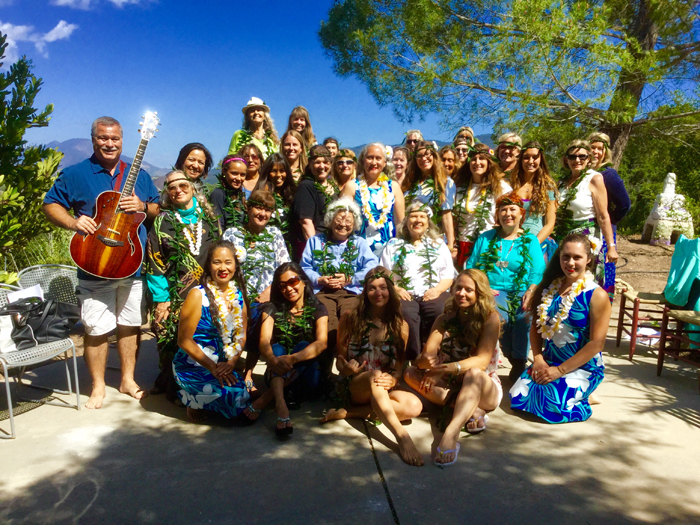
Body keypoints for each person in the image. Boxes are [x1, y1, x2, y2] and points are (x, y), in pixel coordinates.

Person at [43, 116, 160, 409]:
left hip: (132, 263)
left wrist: (143, 206)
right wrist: (73, 222)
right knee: (95, 328)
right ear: (93, 139)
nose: (109, 144)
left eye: (115, 139)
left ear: (124, 140)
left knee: (130, 324)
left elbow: (159, 207)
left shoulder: (140, 175)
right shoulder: (75, 174)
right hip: (93, 263)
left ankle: (128, 380)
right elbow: (50, 204)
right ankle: (97, 386)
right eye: (103, 138)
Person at [321, 267, 424, 467]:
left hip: (383, 387)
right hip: (355, 385)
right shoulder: (350, 318)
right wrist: (346, 368)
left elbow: (398, 367)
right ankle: (402, 437)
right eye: (372, 288)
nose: (378, 293)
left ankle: (349, 413)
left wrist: (394, 378)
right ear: (364, 291)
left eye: (383, 287)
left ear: (391, 290)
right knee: (374, 374)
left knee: (414, 406)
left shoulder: (399, 324)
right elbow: (340, 361)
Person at [404, 269, 502, 467]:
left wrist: (445, 368)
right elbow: (428, 355)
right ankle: (472, 410)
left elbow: (482, 361)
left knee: (473, 373)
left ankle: (451, 432)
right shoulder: (444, 319)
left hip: (484, 385)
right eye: (458, 288)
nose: (462, 294)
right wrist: (426, 364)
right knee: (409, 373)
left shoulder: (490, 318)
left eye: (468, 290)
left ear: (480, 293)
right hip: (451, 386)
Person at [510, 234, 610, 423]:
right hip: (549, 361)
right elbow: (535, 326)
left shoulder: (597, 295)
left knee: (552, 404)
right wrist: (538, 359)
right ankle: (577, 393)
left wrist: (560, 371)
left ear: (588, 259)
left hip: (582, 366)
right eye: (566, 257)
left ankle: (584, 395)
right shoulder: (550, 288)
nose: (570, 263)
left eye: (577, 257)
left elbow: (596, 344)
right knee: (518, 396)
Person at [147, 170, 220, 401]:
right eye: (172, 187)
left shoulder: (209, 219)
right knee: (169, 339)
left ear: (192, 187)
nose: (178, 190)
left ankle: (203, 383)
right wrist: (162, 300)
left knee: (204, 339)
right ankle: (172, 384)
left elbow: (220, 257)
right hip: (172, 294)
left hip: (205, 293)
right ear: (167, 193)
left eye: (183, 185)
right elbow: (154, 261)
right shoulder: (162, 222)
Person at [466, 193, 545, 380]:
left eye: (512, 210)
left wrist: (531, 290)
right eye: (503, 210)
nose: (507, 214)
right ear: (497, 215)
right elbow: (472, 266)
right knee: (499, 316)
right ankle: (508, 354)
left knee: (524, 315)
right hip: (491, 288)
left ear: (521, 215)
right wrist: (482, 287)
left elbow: (538, 269)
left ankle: (518, 362)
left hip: (521, 289)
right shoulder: (486, 238)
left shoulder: (529, 240)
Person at [245, 263, 329, 437]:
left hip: (308, 379)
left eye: (293, 281)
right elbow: (264, 341)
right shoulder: (272, 308)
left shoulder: (318, 308)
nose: (288, 288)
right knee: (276, 348)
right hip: (276, 371)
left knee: (304, 346)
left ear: (304, 281)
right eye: (282, 285)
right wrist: (274, 360)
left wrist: (293, 359)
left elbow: (321, 343)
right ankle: (281, 406)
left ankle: (267, 398)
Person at [173, 240, 251, 422]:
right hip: (194, 364)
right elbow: (184, 340)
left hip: (222, 365)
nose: (223, 268)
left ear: (235, 265)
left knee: (240, 397)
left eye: (228, 262)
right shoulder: (197, 295)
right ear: (209, 265)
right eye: (217, 262)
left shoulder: (238, 296)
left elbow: (242, 334)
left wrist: (232, 363)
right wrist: (212, 367)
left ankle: (203, 402)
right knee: (232, 399)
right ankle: (193, 402)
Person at [224, 190, 290, 391]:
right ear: (248, 207)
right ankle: (229, 366)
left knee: (262, 312)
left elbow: (285, 266)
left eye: (268, 209)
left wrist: (271, 289)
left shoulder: (274, 234)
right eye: (259, 207)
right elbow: (222, 264)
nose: (263, 213)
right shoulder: (232, 233)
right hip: (236, 293)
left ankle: (249, 371)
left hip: (266, 295)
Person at [379, 202, 455, 360]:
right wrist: (397, 289)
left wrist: (438, 290)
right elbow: (384, 272)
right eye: (413, 216)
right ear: (406, 221)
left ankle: (432, 357)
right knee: (407, 313)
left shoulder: (438, 245)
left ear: (428, 222)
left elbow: (448, 276)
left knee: (438, 309)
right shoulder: (394, 244)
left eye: (422, 216)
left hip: (433, 292)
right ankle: (414, 360)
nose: (418, 220)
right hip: (404, 293)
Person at [301, 198, 378, 347]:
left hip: (350, 291)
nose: (343, 224)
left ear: (354, 224)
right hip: (323, 291)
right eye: (339, 219)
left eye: (348, 221)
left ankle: (348, 363)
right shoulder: (315, 241)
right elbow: (304, 267)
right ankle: (326, 364)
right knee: (326, 321)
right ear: (330, 220)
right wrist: (319, 279)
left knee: (350, 317)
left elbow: (372, 266)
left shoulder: (359, 243)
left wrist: (351, 278)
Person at [554, 140, 619, 298]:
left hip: (586, 235)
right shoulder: (561, 183)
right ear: (566, 159)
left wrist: (611, 246)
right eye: (572, 156)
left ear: (589, 159)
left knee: (584, 284)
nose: (577, 160)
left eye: (582, 157)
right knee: (561, 281)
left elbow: (603, 215)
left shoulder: (594, 178)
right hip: (563, 236)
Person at [342, 143, 406, 256]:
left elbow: (400, 223)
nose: (374, 162)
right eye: (370, 157)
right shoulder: (352, 186)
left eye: (378, 158)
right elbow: (342, 220)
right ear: (363, 161)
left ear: (385, 163)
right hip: (358, 250)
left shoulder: (393, 187)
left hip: (388, 250)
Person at [453, 143, 512, 266]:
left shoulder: (501, 187)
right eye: (473, 159)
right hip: (461, 245)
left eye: (482, 159)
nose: (477, 162)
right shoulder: (459, 187)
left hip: (488, 243)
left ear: (489, 162)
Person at [588, 131, 630, 299]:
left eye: (600, 148)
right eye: (592, 148)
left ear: (605, 152)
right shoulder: (584, 174)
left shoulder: (608, 175)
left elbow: (625, 204)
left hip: (604, 232)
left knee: (603, 275)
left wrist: (609, 220)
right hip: (586, 230)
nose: (596, 152)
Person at [402, 141, 456, 254]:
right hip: (411, 238)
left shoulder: (445, 182)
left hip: (434, 239)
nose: (424, 158)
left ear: (434, 155)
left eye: (427, 154)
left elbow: (446, 215)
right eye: (419, 156)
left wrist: (450, 245)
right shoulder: (410, 182)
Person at [510, 141, 558, 259]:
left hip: (538, 242)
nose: (531, 161)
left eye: (535, 157)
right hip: (512, 240)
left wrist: (534, 245)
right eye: (526, 157)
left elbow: (550, 223)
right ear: (520, 160)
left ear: (541, 159)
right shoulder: (510, 186)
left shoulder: (549, 188)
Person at [289, 144, 336, 260]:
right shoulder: (306, 186)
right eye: (317, 162)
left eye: (325, 162)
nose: (322, 166)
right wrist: (318, 252)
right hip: (315, 245)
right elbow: (306, 222)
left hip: (332, 244)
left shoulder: (334, 186)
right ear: (310, 164)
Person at [255, 153, 297, 241]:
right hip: (267, 242)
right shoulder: (261, 193)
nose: (278, 175)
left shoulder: (293, 193)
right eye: (274, 171)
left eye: (282, 171)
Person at [209, 155, 248, 230]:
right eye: (234, 173)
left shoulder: (240, 195)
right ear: (224, 171)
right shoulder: (218, 194)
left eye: (242, 174)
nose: (239, 178)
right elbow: (218, 226)